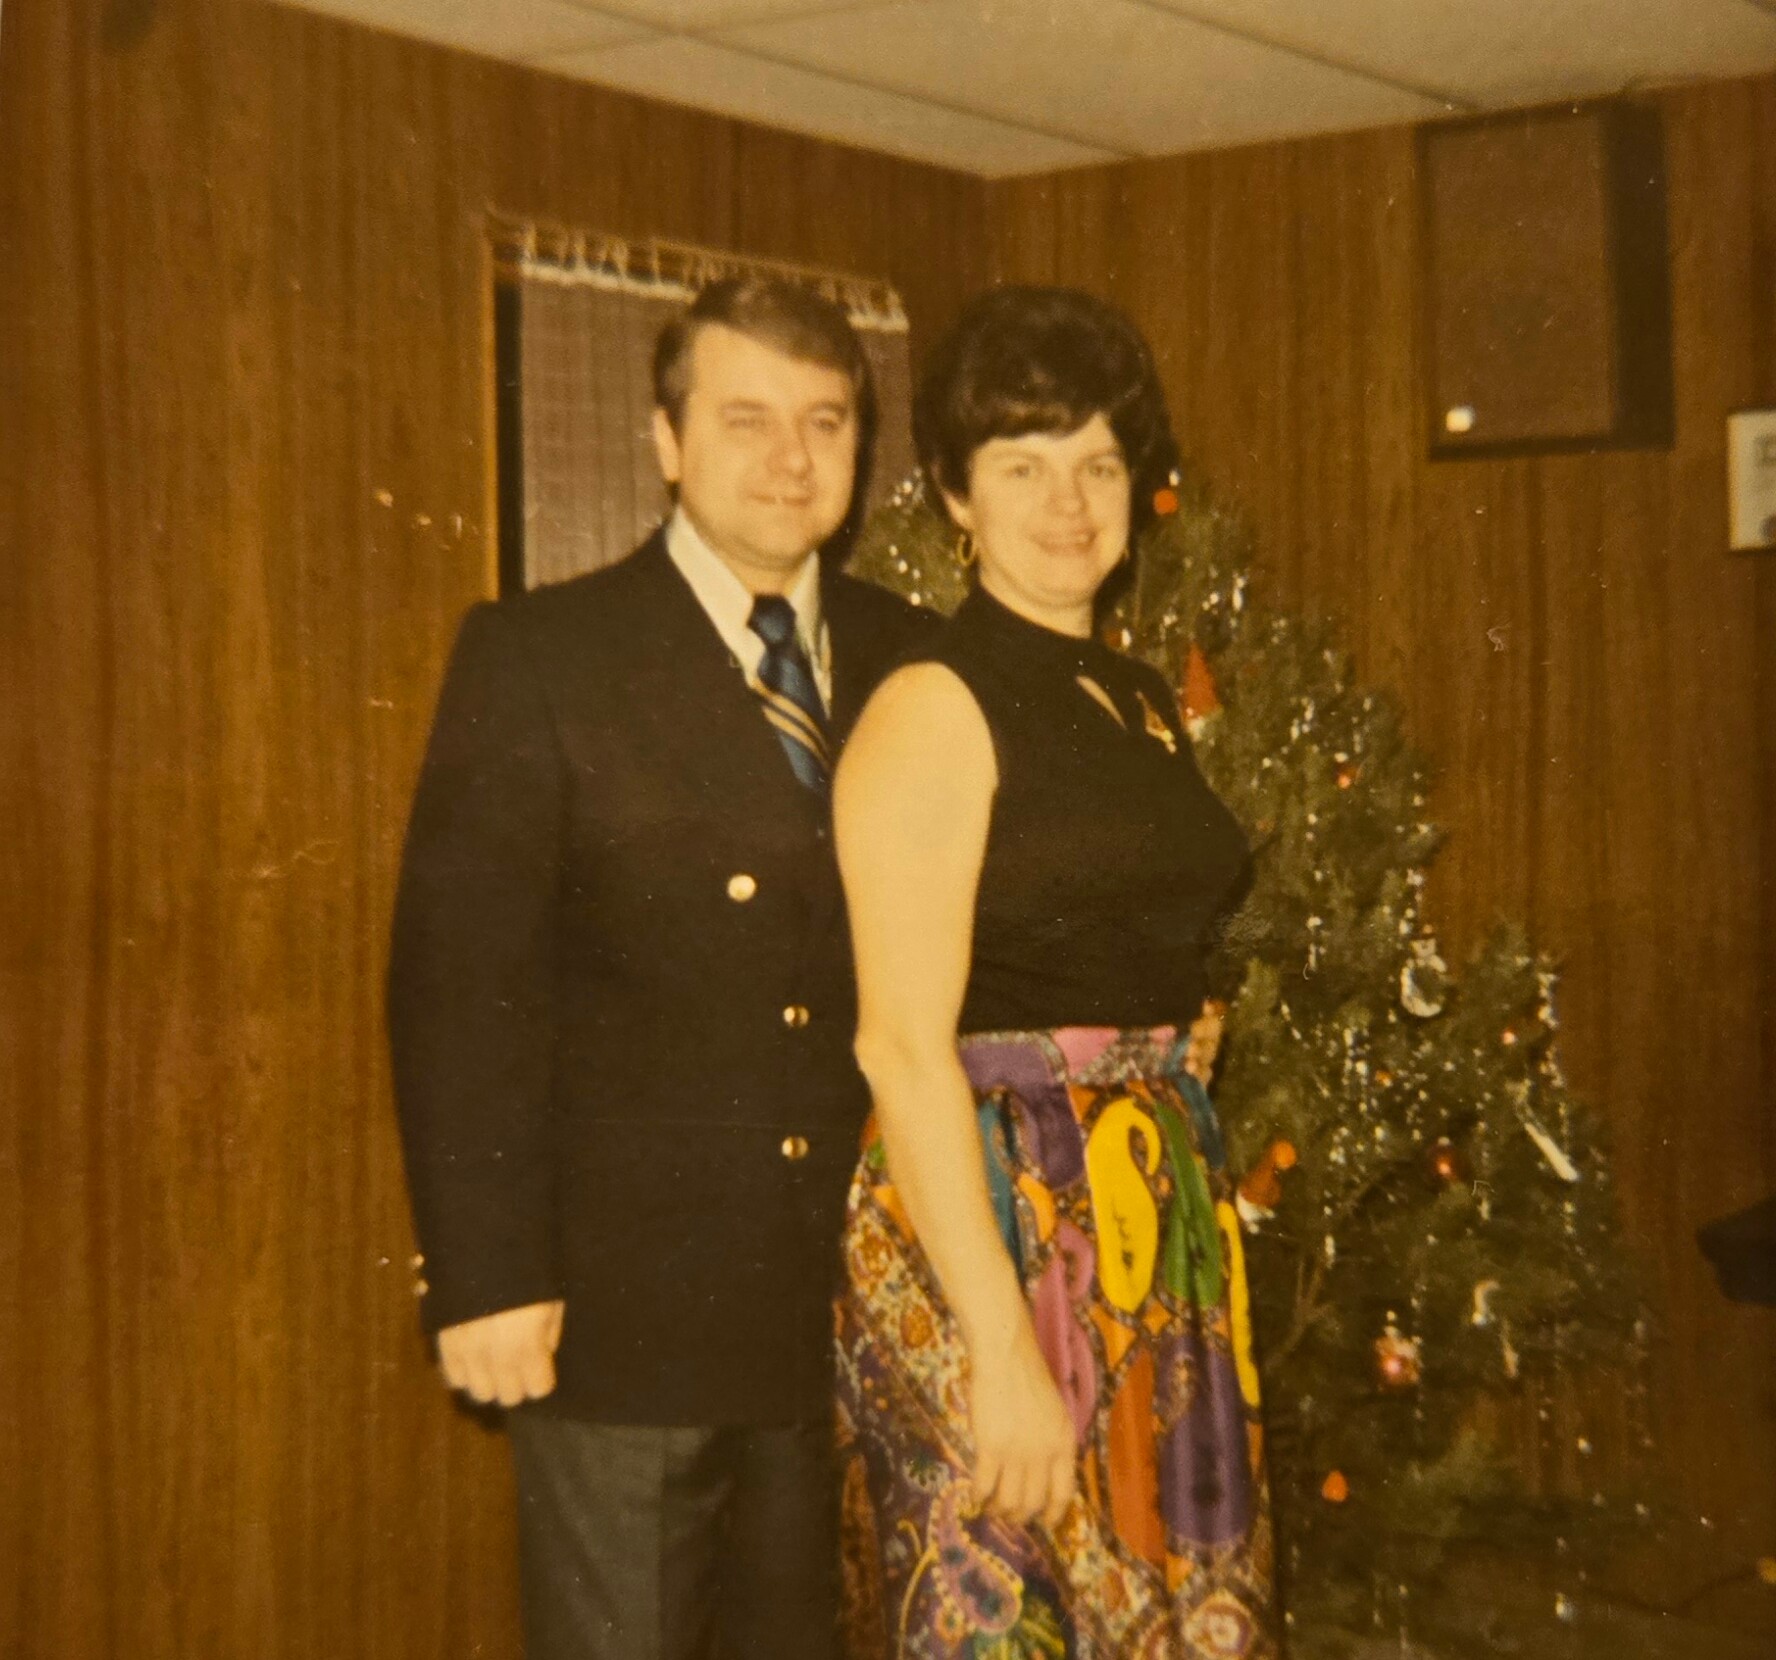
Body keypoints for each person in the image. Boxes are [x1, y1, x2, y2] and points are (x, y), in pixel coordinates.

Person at [387, 276, 932, 1660]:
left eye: (825, 422)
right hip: (624, 1321)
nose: (792, 459)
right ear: (668, 441)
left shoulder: (913, 661)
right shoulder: (542, 655)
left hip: (844, 1315)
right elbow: (461, 990)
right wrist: (485, 1273)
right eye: (747, 420)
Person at [831, 286, 1276, 1657]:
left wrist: (1169, 1041)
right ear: (956, 496)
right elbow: (901, 1047)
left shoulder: (1132, 698)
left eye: (1099, 463)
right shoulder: (933, 704)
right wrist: (1000, 1348)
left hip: (1146, 1207)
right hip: (996, 1219)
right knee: (1016, 1611)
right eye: (1023, 467)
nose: (1070, 503)